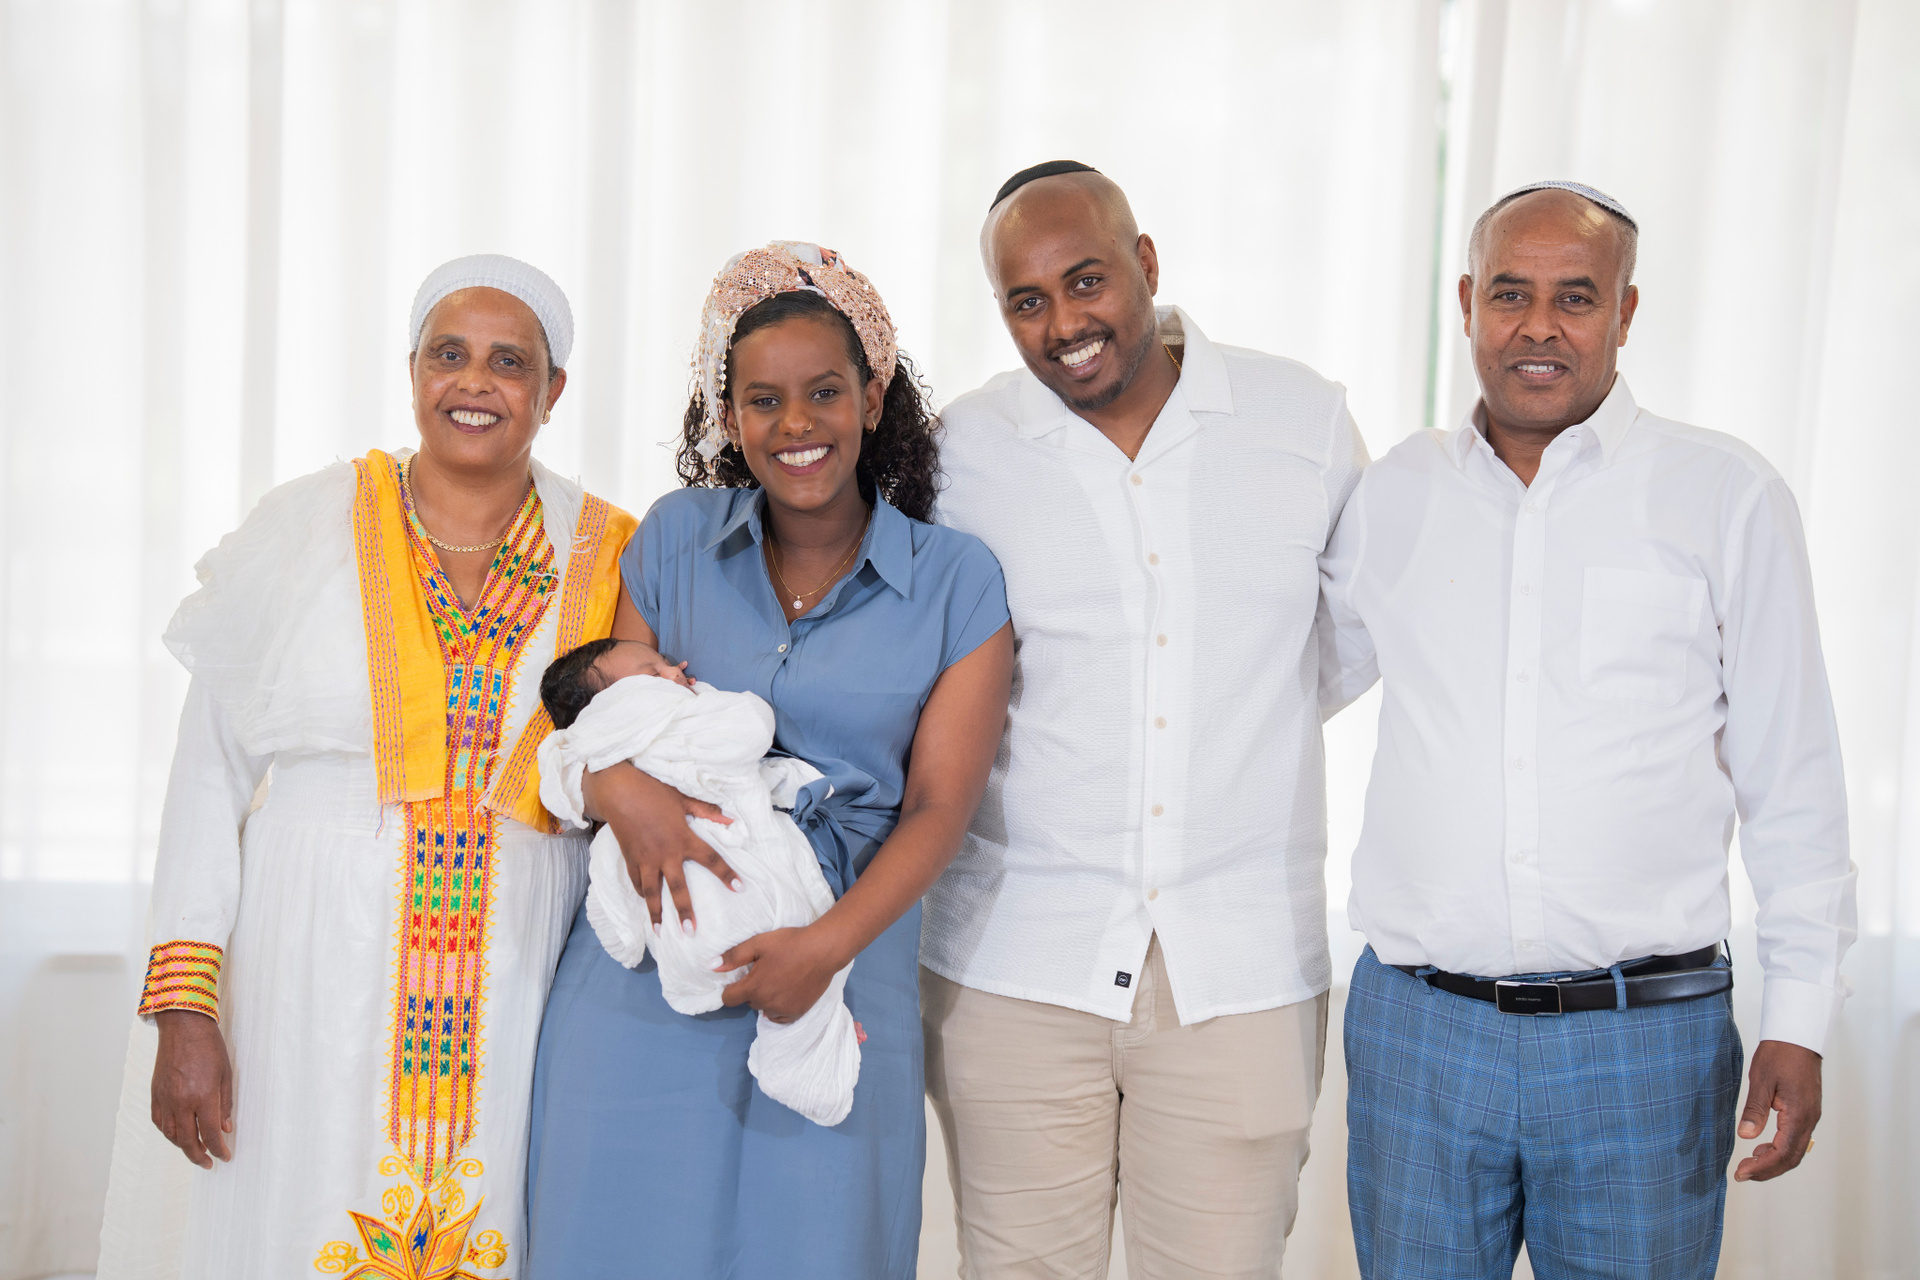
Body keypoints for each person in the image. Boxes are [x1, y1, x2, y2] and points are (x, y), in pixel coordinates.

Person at [1320, 181, 1855, 1278]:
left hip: (1644, 1042)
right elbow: (1288, 687)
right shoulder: (1395, 495)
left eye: (1575, 297)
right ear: (1467, 302)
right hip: (1420, 1035)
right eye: (1510, 293)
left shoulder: (1725, 495)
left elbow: (1793, 777)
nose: (1539, 326)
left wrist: (1800, 1015)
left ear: (1626, 311)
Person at [94, 255, 637, 1279]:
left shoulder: (611, 552)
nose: (473, 382)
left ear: (553, 390)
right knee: (289, 1219)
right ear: (412, 370)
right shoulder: (306, 523)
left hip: (518, 973)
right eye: (448, 354)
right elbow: (209, 771)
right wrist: (186, 1006)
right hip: (303, 961)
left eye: (508, 362)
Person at [523, 242, 1013, 1278]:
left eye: (824, 392)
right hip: (647, 970)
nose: (796, 424)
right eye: (763, 400)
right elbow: (610, 723)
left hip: (838, 969)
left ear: (872, 400)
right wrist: (621, 794)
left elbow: (939, 808)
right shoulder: (674, 537)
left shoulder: (957, 582)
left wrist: (822, 948)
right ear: (728, 417)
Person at [925, 161, 1369, 1278]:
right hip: (1018, 959)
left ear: (1147, 263)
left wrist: (1230, 716)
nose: (1064, 324)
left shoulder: (1300, 418)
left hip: (1242, 967)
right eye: (1027, 301)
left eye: (1087, 281)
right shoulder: (960, 451)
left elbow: (1349, 641)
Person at [535, 636, 864, 1127]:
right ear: (616, 704)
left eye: (667, 664)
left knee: (616, 864)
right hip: (739, 887)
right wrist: (704, 698)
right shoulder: (675, 721)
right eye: (653, 673)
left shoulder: (579, 752)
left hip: (682, 942)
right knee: (800, 920)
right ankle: (809, 1041)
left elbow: (556, 782)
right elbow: (750, 728)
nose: (677, 670)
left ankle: (812, 1026)